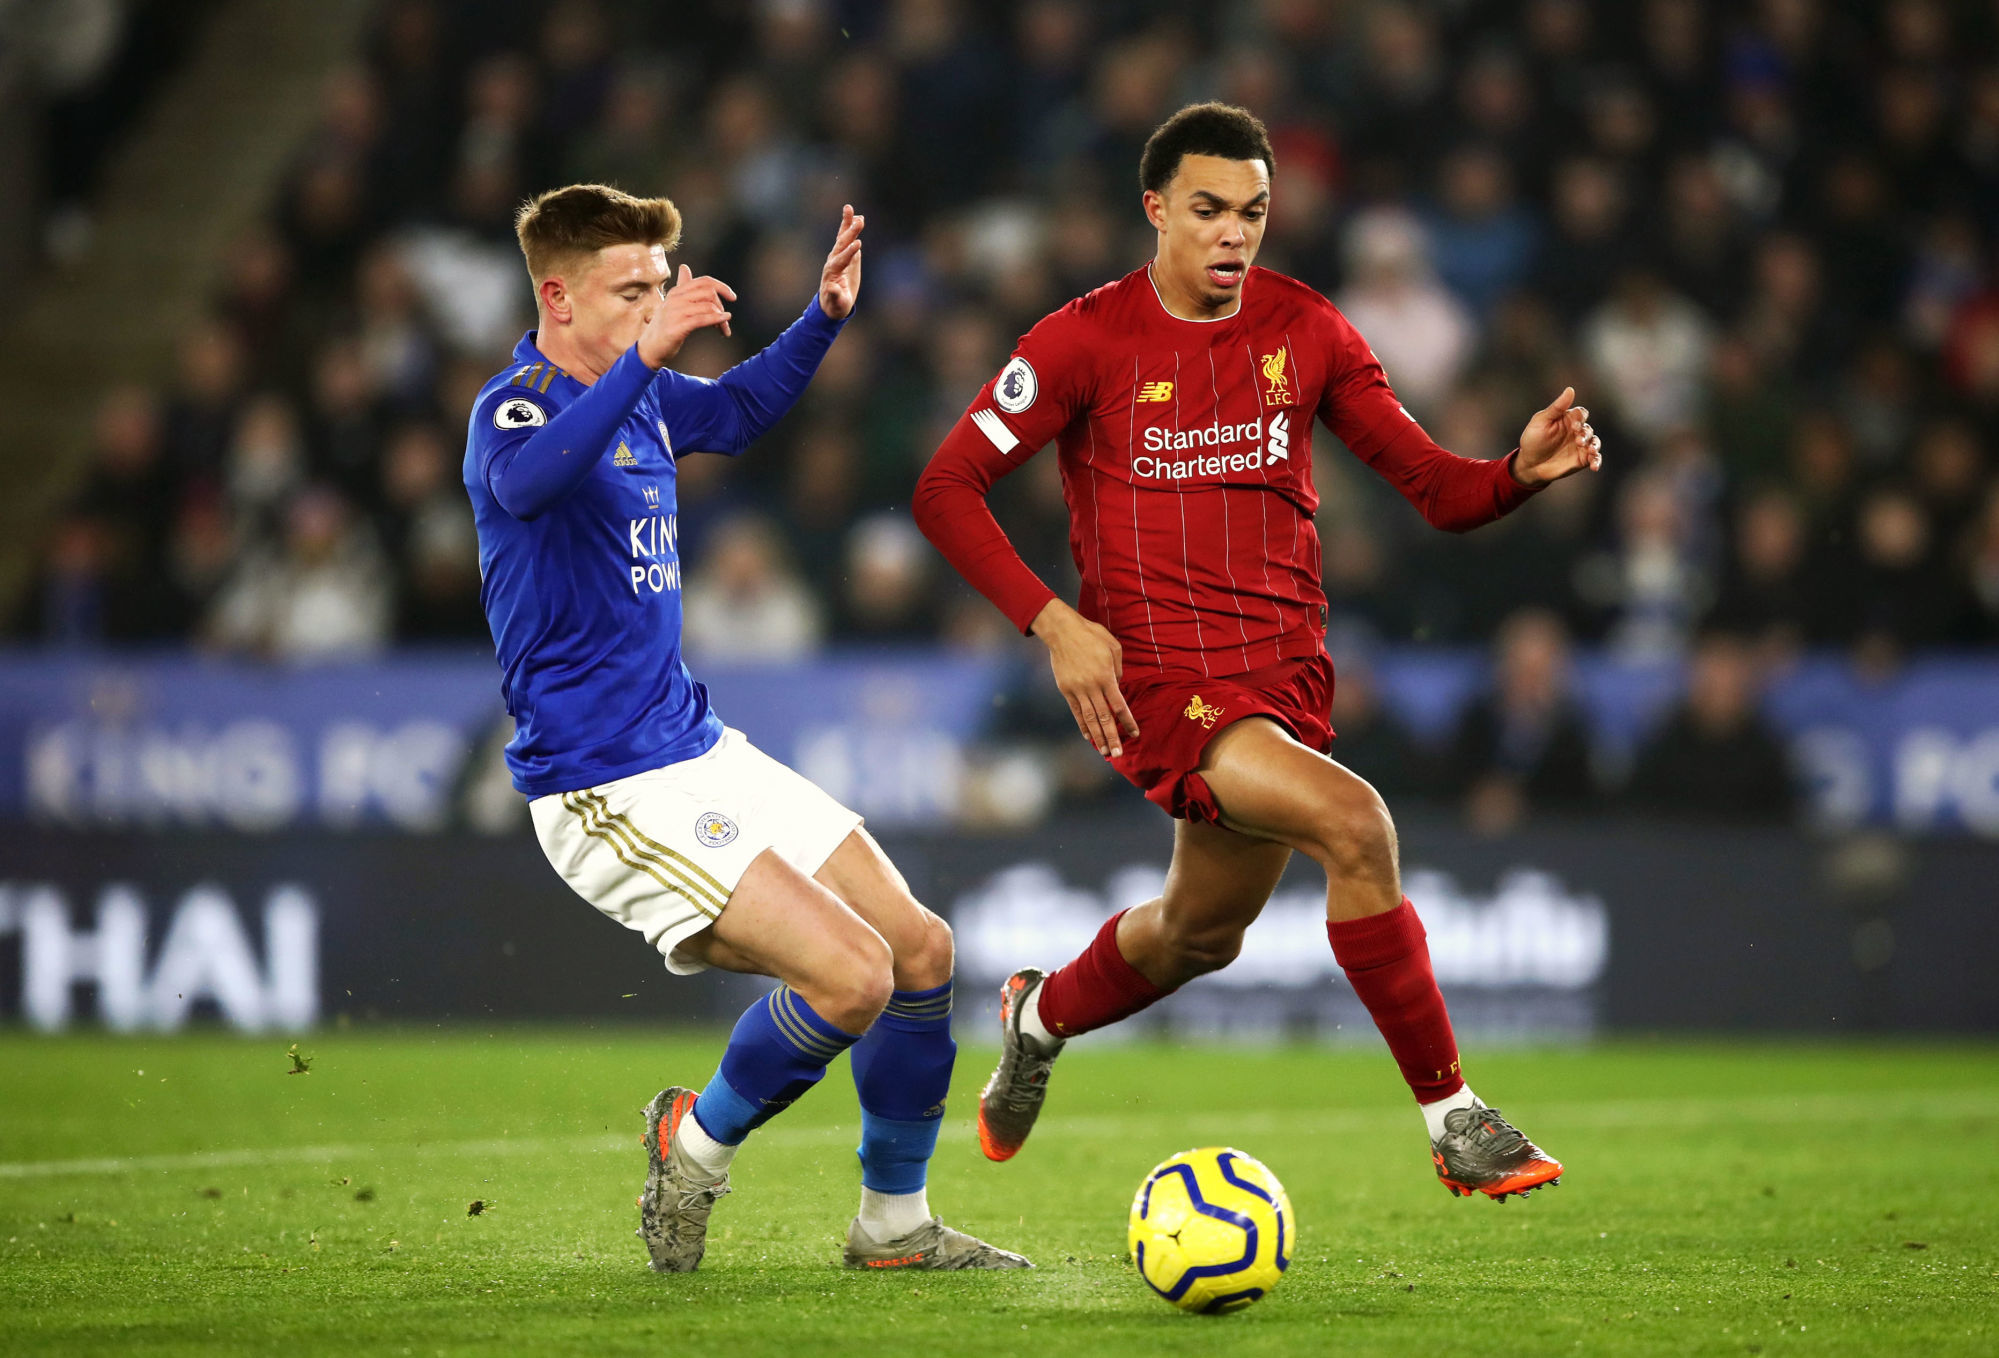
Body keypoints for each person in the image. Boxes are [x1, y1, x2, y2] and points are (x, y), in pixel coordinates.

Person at [914, 104, 1602, 1203]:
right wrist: (1054, 620)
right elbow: (943, 487)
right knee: (1356, 822)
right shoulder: (1080, 340)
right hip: (1160, 678)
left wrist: (1514, 471)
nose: (1234, 234)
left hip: (1280, 673)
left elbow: (1436, 489)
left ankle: (1037, 1016)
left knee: (1199, 934)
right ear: (1154, 210)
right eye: (1207, 210)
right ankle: (1453, 1116)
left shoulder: (1307, 331)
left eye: (1253, 212)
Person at [463, 184, 1026, 1274]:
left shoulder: (640, 397)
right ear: (556, 294)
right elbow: (531, 488)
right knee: (850, 976)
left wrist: (821, 317)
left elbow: (738, 410)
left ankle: (894, 1227)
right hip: (602, 784)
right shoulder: (514, 408)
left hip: (694, 742)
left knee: (920, 951)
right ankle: (695, 1145)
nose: (652, 306)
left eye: (660, 287)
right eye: (631, 291)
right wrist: (644, 358)